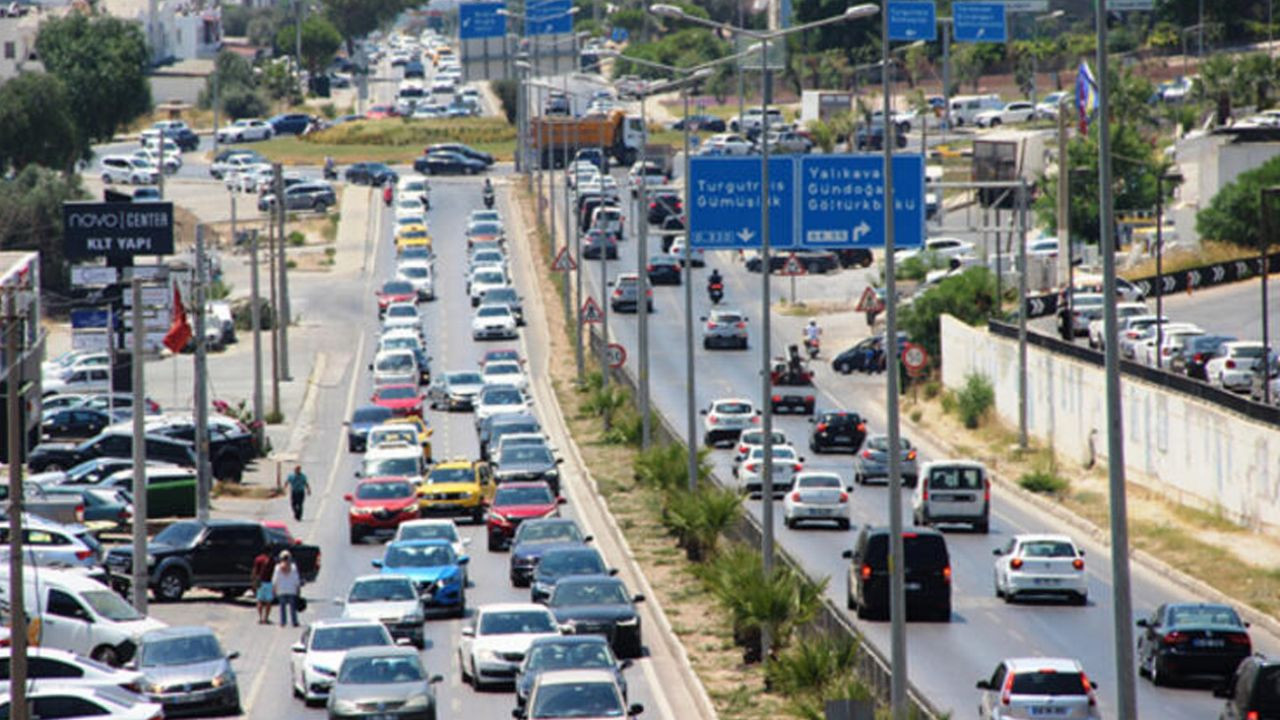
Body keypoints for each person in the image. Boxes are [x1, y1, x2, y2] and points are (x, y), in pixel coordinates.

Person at [271, 550, 302, 627]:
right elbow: (296, 579)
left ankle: (283, 622)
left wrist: (274, 589)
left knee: (282, 608)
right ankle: (294, 622)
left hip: (281, 590)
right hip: (291, 590)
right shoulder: (293, 567)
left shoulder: (278, 568)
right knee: (293, 608)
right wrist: (298, 589)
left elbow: (275, 579)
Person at [251, 550, 273, 624]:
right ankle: (266, 618)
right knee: (268, 601)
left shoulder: (258, 559)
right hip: (269, 582)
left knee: (259, 600)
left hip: (260, 582)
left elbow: (254, 571)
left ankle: (260, 618)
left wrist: (253, 581)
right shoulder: (271, 560)